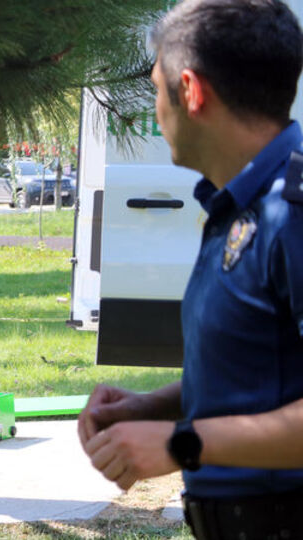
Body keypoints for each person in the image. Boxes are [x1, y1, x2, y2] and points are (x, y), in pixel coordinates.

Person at [76, 1, 303, 537]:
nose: (156, 110)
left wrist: (183, 442)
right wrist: (151, 408)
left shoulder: (290, 213)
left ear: (192, 92)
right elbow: (263, 369)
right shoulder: (236, 207)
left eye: (157, 90)